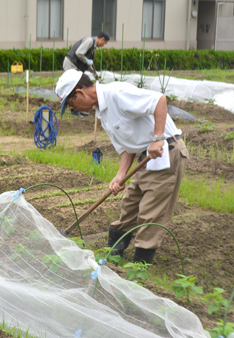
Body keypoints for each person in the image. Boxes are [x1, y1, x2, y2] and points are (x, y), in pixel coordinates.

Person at [55, 69, 188, 265]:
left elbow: (159, 100)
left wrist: (158, 138)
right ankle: (113, 259)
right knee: (129, 206)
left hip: (165, 152)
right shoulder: (103, 113)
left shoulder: (116, 94)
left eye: (71, 103)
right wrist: (120, 175)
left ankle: (138, 271)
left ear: (80, 92)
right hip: (146, 156)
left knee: (151, 212)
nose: (74, 108)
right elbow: (128, 146)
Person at [62, 32, 110, 118]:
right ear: (102, 39)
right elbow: (79, 53)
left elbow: (87, 64)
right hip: (71, 63)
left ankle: (77, 109)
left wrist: (94, 73)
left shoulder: (93, 47)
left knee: (78, 85)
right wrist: (87, 61)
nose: (103, 45)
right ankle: (74, 110)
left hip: (75, 65)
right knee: (75, 86)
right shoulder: (89, 41)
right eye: (104, 43)